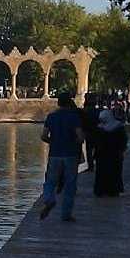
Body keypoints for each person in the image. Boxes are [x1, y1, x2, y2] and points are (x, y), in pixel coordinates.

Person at [39, 93, 84, 222]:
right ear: (69, 103)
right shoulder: (74, 117)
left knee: (50, 181)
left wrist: (52, 141)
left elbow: (43, 136)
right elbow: (80, 136)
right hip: (70, 154)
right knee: (70, 184)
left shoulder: (51, 117)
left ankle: (49, 199)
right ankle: (66, 214)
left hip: (55, 154)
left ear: (58, 103)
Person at [94, 104, 128, 197]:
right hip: (115, 154)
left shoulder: (100, 129)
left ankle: (102, 190)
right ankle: (113, 190)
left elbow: (97, 142)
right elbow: (123, 140)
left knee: (103, 172)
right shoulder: (118, 127)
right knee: (114, 172)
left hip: (103, 154)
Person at [81, 93, 101, 172]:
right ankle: (94, 164)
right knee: (96, 148)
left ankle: (91, 166)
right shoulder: (97, 111)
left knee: (89, 149)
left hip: (88, 132)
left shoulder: (85, 111)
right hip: (96, 131)